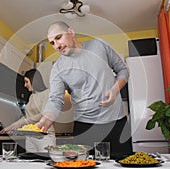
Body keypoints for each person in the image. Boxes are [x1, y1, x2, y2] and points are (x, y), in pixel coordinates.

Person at [36, 21, 132, 155]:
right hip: (85, 127)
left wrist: (115, 90)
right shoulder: (57, 68)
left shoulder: (99, 45)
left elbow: (123, 70)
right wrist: (45, 120)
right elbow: (55, 99)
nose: (56, 45)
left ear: (71, 32)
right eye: (52, 43)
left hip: (117, 123)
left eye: (58, 38)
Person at [0, 68, 56, 152]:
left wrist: (23, 122)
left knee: (45, 163)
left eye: (26, 81)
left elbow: (43, 114)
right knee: (30, 163)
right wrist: (11, 127)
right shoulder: (32, 96)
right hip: (30, 137)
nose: (25, 85)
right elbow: (28, 116)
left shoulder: (47, 93)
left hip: (45, 136)